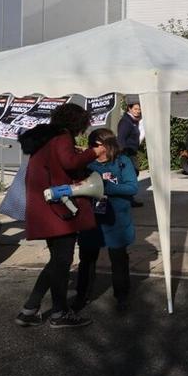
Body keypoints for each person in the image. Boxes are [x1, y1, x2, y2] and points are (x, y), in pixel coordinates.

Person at [15, 103, 107, 329]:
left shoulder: (47, 138)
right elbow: (69, 162)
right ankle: (59, 314)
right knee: (62, 261)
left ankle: (29, 310)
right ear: (76, 122)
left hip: (46, 209)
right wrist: (94, 152)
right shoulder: (63, 137)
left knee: (57, 261)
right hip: (58, 211)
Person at [71, 128, 140, 313]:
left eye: (97, 145)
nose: (94, 148)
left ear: (107, 145)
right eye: (91, 145)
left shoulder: (122, 162)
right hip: (91, 220)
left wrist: (104, 187)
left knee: (118, 260)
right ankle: (82, 296)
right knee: (86, 260)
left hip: (117, 220)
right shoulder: (88, 164)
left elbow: (132, 188)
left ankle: (122, 297)